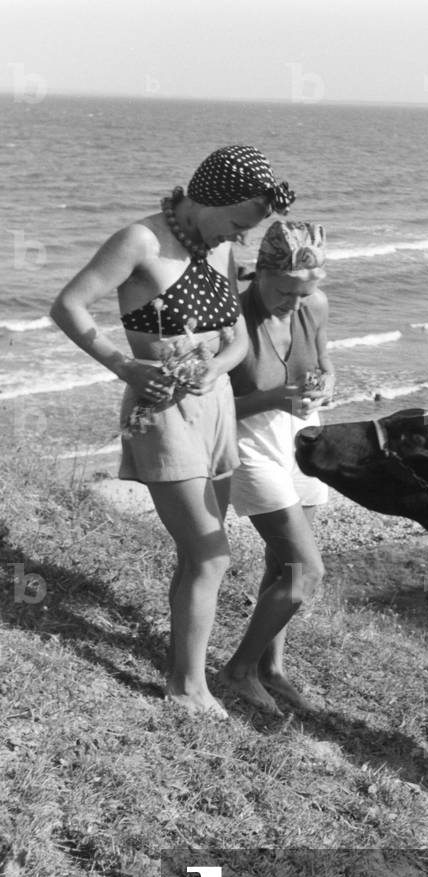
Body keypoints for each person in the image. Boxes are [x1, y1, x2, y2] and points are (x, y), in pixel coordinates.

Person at [50, 145, 296, 718]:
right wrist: (124, 365)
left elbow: (236, 335)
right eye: (237, 223)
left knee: (197, 555)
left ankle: (187, 674)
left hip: (216, 411)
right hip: (161, 413)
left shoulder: (223, 249)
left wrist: (218, 364)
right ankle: (186, 689)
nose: (238, 237)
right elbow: (68, 306)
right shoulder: (139, 241)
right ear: (209, 198)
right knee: (211, 554)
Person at [221, 221, 334, 715]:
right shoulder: (231, 317)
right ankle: (237, 671)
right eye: (286, 291)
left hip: (302, 438)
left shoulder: (315, 305)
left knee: (281, 564)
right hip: (249, 445)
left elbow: (325, 364)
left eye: (303, 293)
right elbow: (213, 405)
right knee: (306, 571)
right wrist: (272, 397)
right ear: (260, 274)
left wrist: (325, 386)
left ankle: (272, 669)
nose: (295, 303)